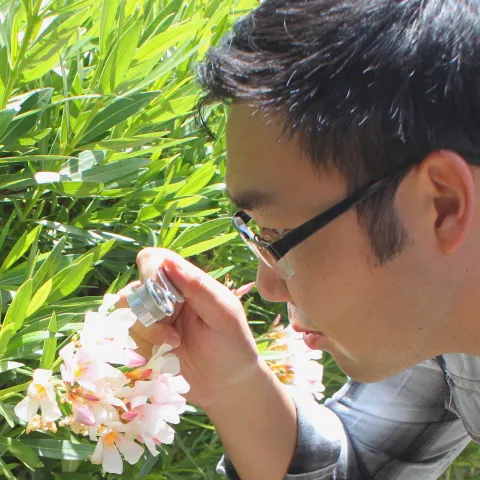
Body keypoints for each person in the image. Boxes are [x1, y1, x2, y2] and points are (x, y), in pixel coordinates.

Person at [117, 0, 480, 478]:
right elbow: (367, 464)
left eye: (276, 235)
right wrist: (232, 384)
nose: (269, 287)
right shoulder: (442, 313)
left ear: (442, 206)